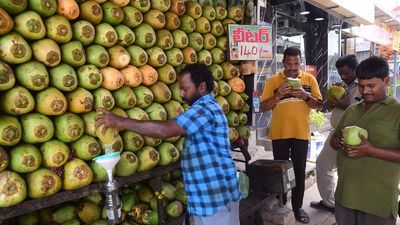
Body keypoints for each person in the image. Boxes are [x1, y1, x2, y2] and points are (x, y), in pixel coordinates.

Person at [95, 63, 241, 225]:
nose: (181, 94)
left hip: (215, 199)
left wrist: (121, 121)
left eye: (185, 89)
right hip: (208, 197)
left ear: (201, 86)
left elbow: (164, 131)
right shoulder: (205, 108)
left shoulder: (205, 110)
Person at [330, 56, 400, 225]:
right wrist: (337, 141)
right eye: (361, 86)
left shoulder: (396, 112)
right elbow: (333, 140)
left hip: (376, 201)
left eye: (371, 86)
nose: (365, 91)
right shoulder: (352, 110)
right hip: (346, 196)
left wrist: (371, 150)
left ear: (386, 81)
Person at [260, 47, 322, 224]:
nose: (293, 68)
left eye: (296, 64)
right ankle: (282, 202)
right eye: (289, 64)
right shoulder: (273, 80)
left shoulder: (309, 79)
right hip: (279, 134)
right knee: (280, 171)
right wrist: (278, 95)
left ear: (300, 62)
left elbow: (318, 105)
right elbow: (264, 107)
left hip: (301, 134)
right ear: (283, 63)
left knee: (299, 172)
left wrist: (305, 95)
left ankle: (297, 207)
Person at [310, 55, 361, 212]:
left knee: (346, 172)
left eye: (346, 73)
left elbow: (359, 111)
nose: (343, 77)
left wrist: (343, 102)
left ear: (355, 70)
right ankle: (330, 202)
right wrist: (333, 101)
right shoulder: (345, 86)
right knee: (324, 165)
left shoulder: (362, 86)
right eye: (340, 74)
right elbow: (337, 108)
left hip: (352, 136)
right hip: (336, 132)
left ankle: (344, 206)